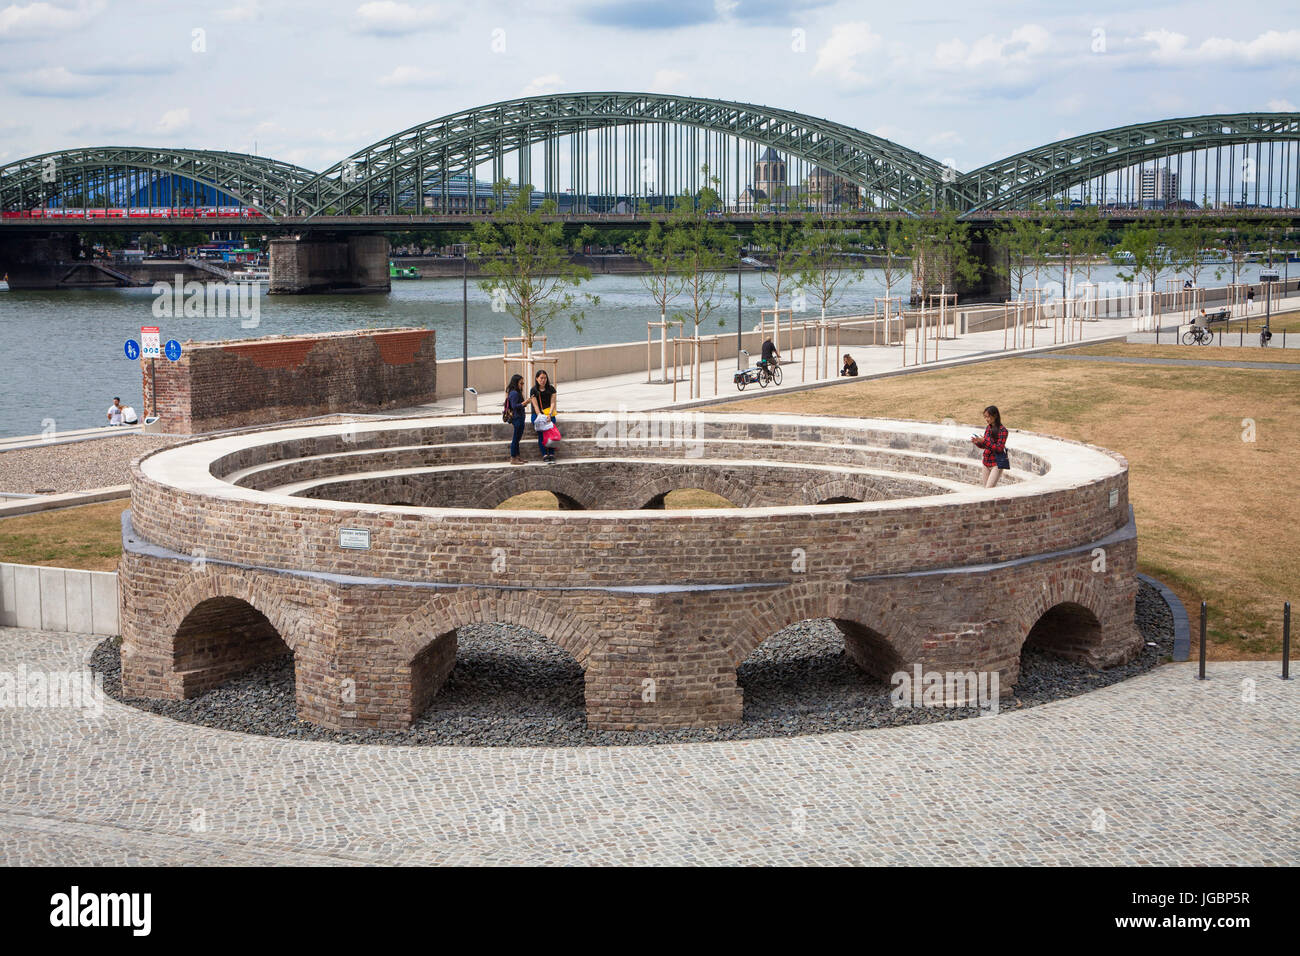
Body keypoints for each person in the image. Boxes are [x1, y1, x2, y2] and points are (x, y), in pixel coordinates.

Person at [970, 405, 1009, 488]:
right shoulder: (988, 428)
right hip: (986, 461)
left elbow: (999, 448)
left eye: (988, 417)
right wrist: (977, 442)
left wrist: (984, 441)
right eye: (985, 417)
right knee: (986, 490)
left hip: (996, 463)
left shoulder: (1003, 431)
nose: (986, 419)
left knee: (989, 489)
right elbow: (985, 446)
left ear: (995, 416)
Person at [528, 369, 558, 463]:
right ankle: (544, 454)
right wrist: (541, 416)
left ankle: (551, 453)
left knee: (551, 434)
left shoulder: (551, 389)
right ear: (537, 379)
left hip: (549, 414)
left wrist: (549, 415)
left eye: (545, 378)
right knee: (541, 434)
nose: (543, 380)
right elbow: (535, 405)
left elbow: (552, 403)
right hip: (538, 415)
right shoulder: (533, 390)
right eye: (541, 378)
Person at [505, 374, 527, 464]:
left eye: (523, 383)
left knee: (518, 438)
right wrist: (524, 403)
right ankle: (513, 457)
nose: (522, 385)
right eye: (521, 383)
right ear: (516, 382)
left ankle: (517, 456)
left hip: (520, 417)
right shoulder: (514, 393)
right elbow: (514, 406)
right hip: (517, 418)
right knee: (516, 438)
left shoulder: (517, 392)